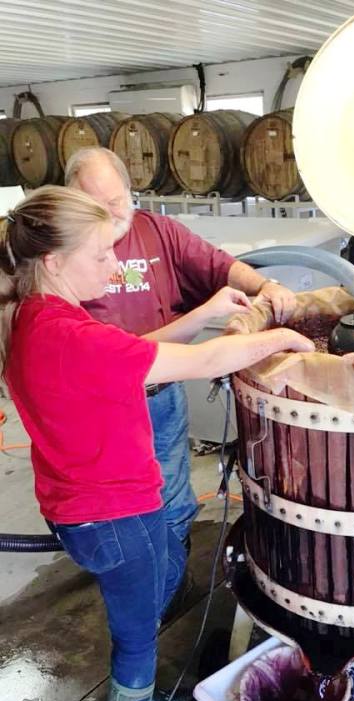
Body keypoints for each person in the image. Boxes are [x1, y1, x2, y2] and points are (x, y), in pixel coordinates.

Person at [0, 186, 313, 701]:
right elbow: (204, 363)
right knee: (138, 629)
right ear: (53, 262)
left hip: (79, 504)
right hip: (114, 512)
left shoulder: (36, 318)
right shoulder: (68, 334)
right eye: (100, 255)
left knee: (137, 612)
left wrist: (209, 315)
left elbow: (133, 350)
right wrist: (282, 338)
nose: (114, 267)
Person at [64, 147, 297, 556]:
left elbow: (218, 264)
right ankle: (137, 573)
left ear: (130, 191)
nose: (110, 216)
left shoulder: (158, 231)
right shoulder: (64, 258)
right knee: (111, 508)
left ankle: (167, 579)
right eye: (94, 206)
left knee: (168, 493)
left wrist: (263, 286)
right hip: (97, 407)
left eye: (116, 202)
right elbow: (119, 357)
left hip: (159, 399)